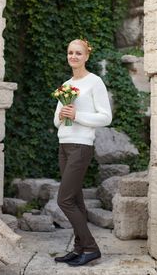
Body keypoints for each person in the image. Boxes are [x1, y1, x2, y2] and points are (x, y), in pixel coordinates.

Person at [53, 39, 112, 267]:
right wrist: (62, 116)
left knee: (64, 200)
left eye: (78, 53)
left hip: (81, 146)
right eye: (70, 52)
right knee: (75, 200)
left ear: (87, 56)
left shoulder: (94, 82)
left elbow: (106, 117)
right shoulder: (66, 84)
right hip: (64, 146)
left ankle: (90, 247)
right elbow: (57, 121)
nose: (73, 56)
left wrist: (78, 116)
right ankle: (78, 249)